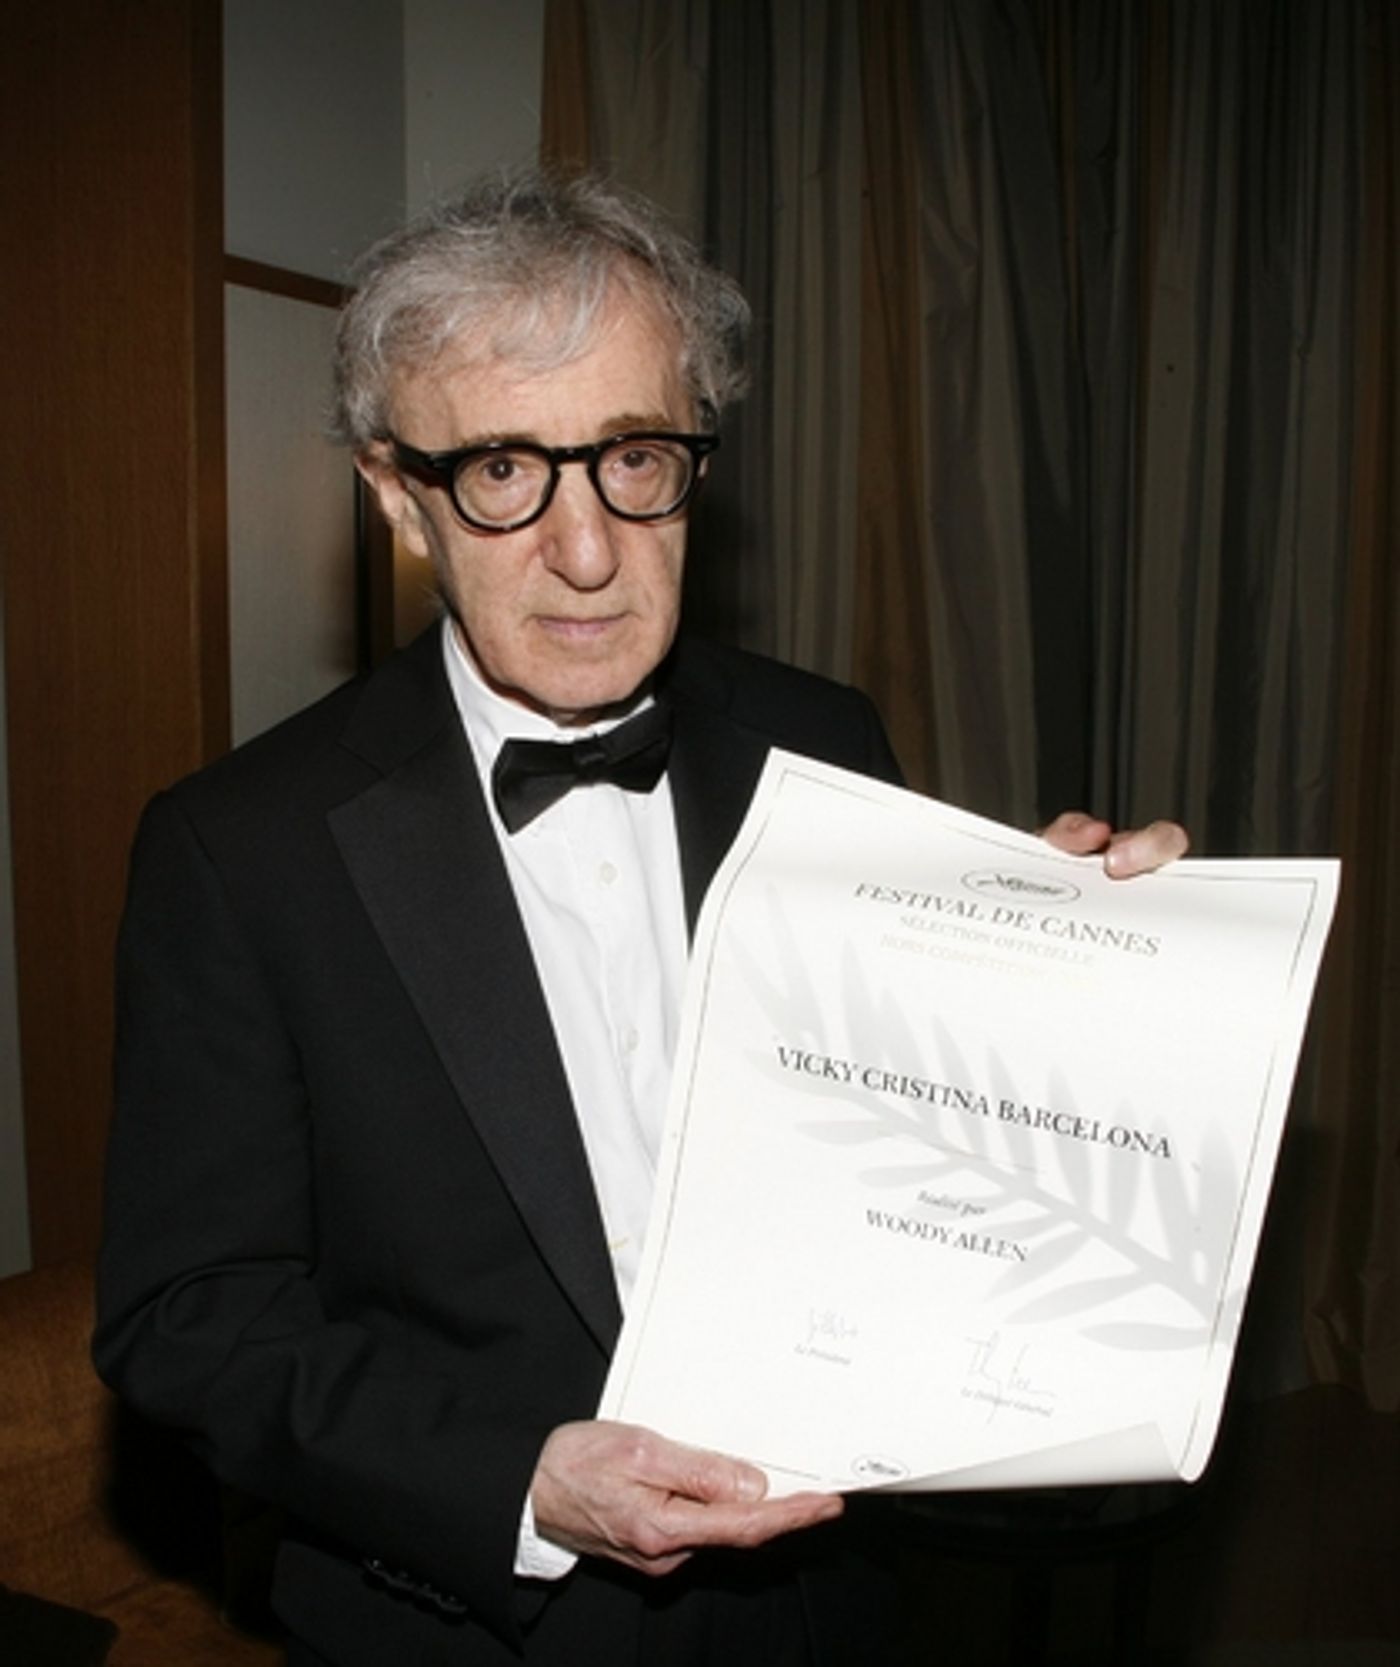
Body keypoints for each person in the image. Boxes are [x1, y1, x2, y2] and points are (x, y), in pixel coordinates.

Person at [93, 169, 1187, 1667]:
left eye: (632, 458)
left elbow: (918, 1157)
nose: (589, 549)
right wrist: (522, 1483)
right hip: (481, 1630)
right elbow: (190, 1319)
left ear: (696, 462)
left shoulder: (824, 742)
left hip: (825, 1611)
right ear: (399, 499)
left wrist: (1076, 967)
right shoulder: (240, 849)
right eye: (501, 471)